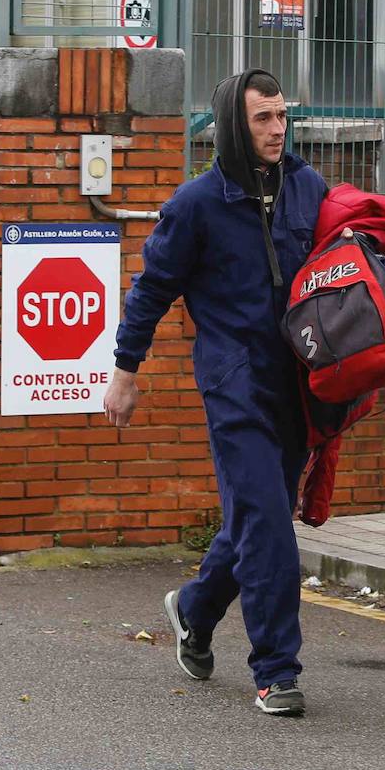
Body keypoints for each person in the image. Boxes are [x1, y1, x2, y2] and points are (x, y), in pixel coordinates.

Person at [103, 69, 327, 716]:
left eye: (283, 115)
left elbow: (349, 259)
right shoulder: (196, 204)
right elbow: (151, 290)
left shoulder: (306, 190)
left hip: (294, 385)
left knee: (258, 518)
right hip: (233, 386)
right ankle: (276, 670)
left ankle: (194, 610)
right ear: (235, 122)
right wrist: (126, 370)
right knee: (268, 529)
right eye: (263, 118)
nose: (278, 128)